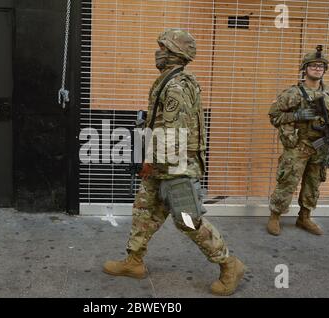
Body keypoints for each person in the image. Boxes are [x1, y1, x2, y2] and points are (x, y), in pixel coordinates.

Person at [103, 28, 245, 296]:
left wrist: (151, 164)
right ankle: (134, 261)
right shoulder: (167, 81)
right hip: (160, 162)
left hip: (175, 165)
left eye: (164, 48)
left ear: (175, 54)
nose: (158, 53)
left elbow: (174, 136)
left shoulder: (177, 86)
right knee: (144, 211)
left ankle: (229, 264)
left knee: (188, 221)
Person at [267, 46, 329, 236]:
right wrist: (297, 114)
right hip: (298, 146)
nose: (317, 68)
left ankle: (304, 217)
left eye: (321, 66)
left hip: (321, 147)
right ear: (305, 68)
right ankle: (274, 217)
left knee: (313, 184)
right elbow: (274, 116)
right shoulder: (293, 94)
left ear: (325, 70)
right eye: (313, 65)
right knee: (287, 182)